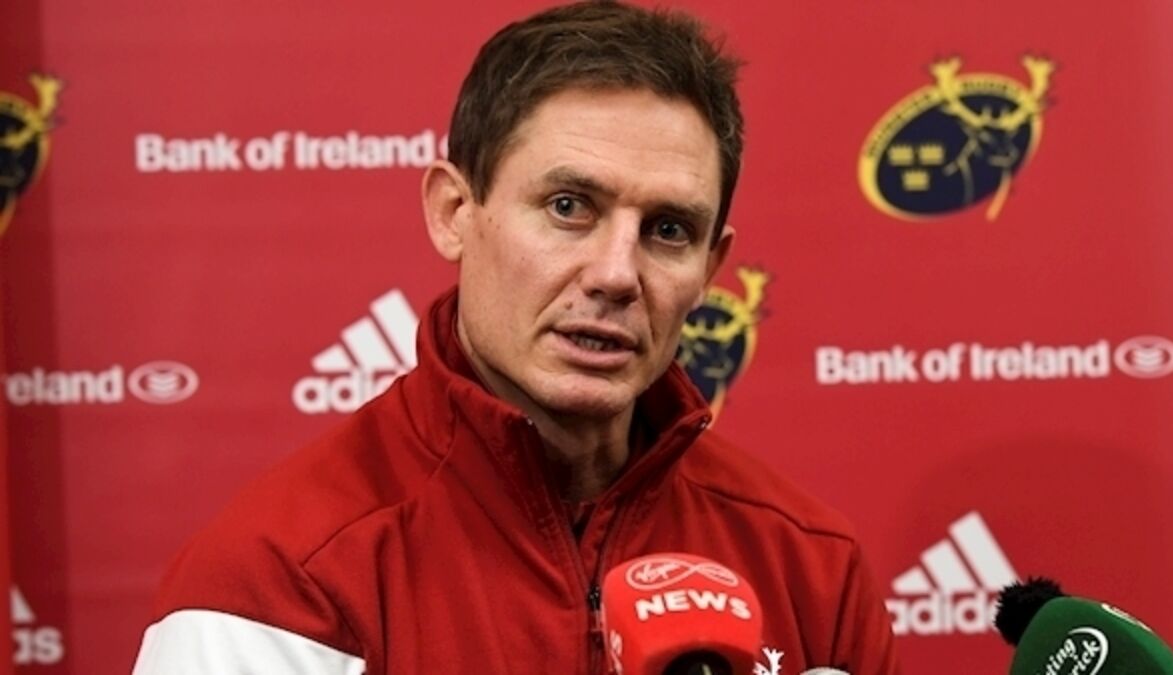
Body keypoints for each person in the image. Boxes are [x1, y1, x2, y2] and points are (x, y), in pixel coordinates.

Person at [132, 2, 899, 673]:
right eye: (569, 206)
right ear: (454, 212)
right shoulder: (276, 581)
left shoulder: (811, 568)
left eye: (668, 229)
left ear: (710, 267)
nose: (615, 274)